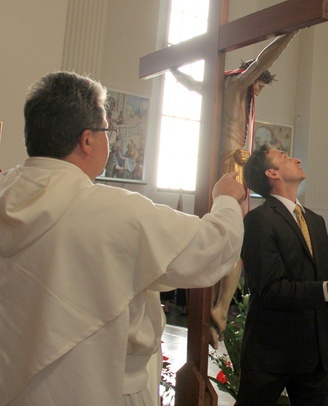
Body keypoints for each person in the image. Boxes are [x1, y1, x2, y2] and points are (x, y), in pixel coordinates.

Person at [0, 71, 246, 405]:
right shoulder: (112, 210)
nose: (109, 141)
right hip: (99, 386)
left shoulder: (5, 193)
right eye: (106, 131)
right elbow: (212, 248)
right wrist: (226, 199)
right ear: (87, 140)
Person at [171, 32, 298, 346]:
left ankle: (213, 307)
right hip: (234, 164)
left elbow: (190, 83)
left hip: (219, 161)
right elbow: (263, 60)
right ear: (251, 78)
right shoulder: (239, 83)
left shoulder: (218, 85)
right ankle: (221, 309)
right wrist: (290, 33)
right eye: (260, 86)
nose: (258, 91)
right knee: (237, 239)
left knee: (217, 232)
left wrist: (175, 69)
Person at [235, 144, 328, 406]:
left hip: (315, 354)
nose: (296, 158)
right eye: (285, 157)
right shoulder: (259, 220)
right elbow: (271, 289)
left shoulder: (314, 220)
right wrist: (327, 288)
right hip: (272, 353)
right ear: (272, 173)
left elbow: (325, 279)